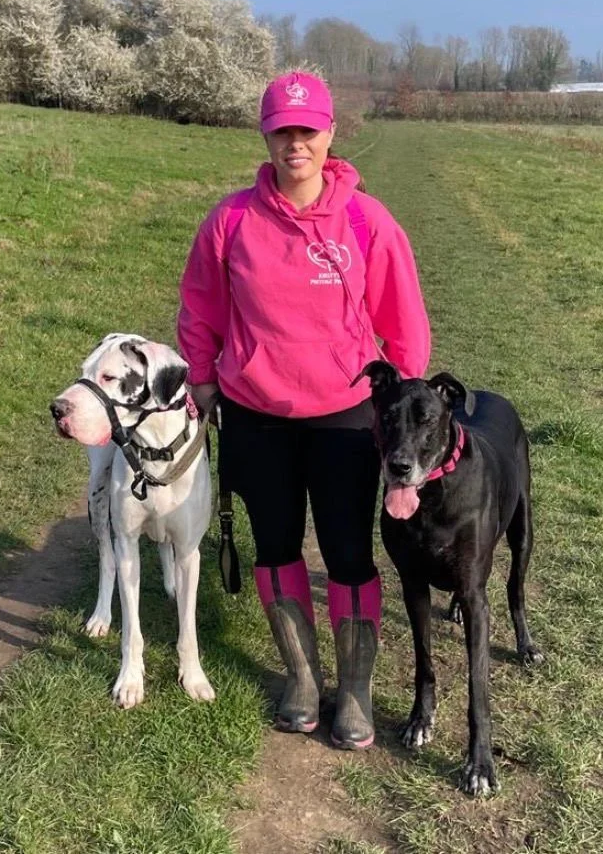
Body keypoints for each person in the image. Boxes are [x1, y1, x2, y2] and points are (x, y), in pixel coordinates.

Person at [177, 71, 430, 749]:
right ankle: (299, 675)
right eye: (283, 130)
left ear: (329, 135)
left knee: (348, 552)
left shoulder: (364, 221)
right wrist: (202, 380)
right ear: (265, 134)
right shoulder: (230, 219)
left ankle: (352, 691)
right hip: (255, 414)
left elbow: (403, 324)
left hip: (346, 418)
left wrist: (404, 410)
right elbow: (200, 307)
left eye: (307, 130)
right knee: (277, 544)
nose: (296, 143)